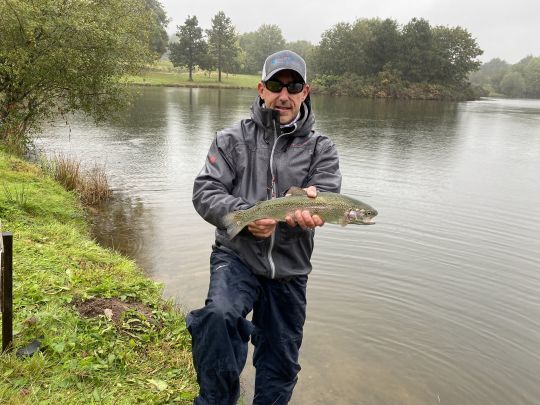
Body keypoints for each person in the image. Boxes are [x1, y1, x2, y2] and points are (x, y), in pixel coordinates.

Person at [189, 50, 342, 404]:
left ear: (306, 92)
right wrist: (245, 215)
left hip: (290, 266)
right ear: (261, 89)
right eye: (275, 85)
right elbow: (205, 191)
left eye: (294, 86)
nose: (283, 95)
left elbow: (328, 195)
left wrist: (312, 210)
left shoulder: (322, 149)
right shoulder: (231, 140)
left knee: (280, 360)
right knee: (218, 318)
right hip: (237, 256)